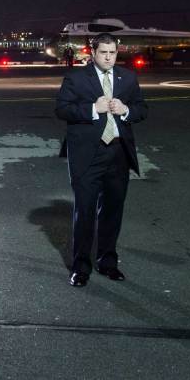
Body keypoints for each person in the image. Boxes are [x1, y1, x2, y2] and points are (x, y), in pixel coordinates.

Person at [55, 33, 147, 287]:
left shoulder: (127, 77)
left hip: (118, 153)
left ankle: (108, 263)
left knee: (113, 211)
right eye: (103, 52)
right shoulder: (76, 77)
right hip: (88, 154)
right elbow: (62, 109)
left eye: (113, 53)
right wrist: (93, 109)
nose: (108, 57)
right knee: (84, 211)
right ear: (93, 53)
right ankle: (81, 267)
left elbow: (142, 108)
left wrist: (126, 110)